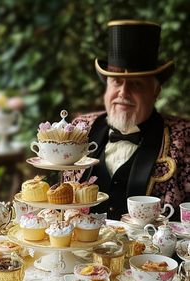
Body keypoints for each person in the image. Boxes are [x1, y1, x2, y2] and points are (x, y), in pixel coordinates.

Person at [73, 20, 190, 220]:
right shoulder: (78, 131)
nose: (123, 93)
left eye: (136, 84)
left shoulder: (184, 138)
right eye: (116, 82)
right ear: (106, 88)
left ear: (155, 91)